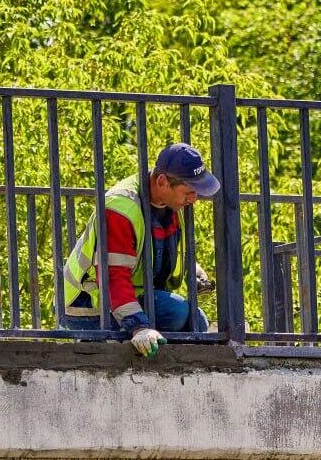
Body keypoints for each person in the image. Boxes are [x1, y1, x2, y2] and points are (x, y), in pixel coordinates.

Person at [60, 143, 219, 357]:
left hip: (132, 295)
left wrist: (194, 268)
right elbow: (112, 276)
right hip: (86, 305)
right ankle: (99, 336)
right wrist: (139, 327)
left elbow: (155, 249)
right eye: (189, 192)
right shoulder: (120, 207)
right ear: (162, 182)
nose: (194, 199)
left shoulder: (173, 203)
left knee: (196, 321)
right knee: (179, 313)